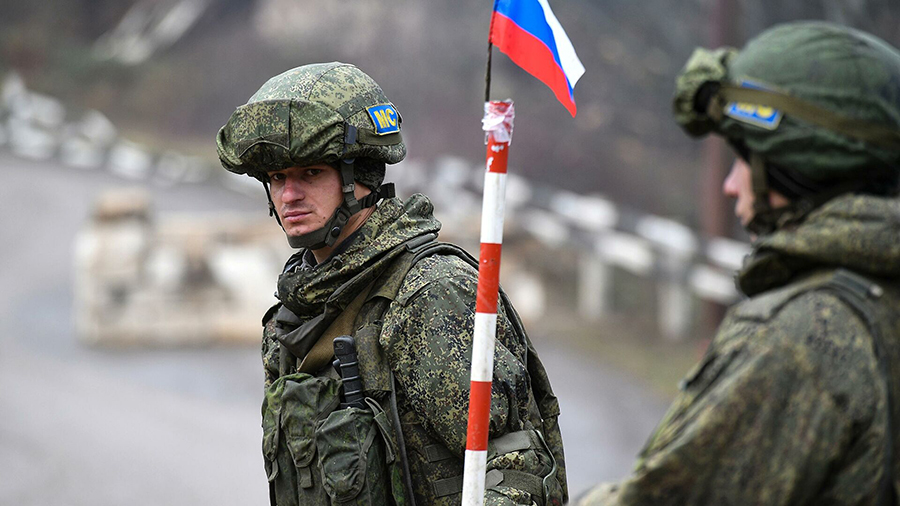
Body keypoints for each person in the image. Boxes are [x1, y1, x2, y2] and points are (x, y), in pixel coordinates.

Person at [215, 62, 567, 506]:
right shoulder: (296, 314)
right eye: (278, 178)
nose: (289, 195)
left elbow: (518, 470)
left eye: (310, 174)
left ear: (361, 176)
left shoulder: (427, 295)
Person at [579, 21, 900, 505]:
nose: (731, 185)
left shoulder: (801, 341)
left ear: (796, 167)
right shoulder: (880, 297)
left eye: (745, 160)